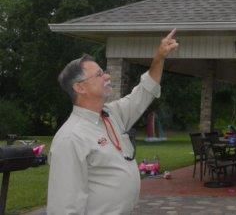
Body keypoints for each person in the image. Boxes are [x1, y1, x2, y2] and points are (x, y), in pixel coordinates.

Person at [47, 29, 179, 214]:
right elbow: (64, 207)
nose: (107, 76)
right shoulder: (70, 138)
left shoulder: (112, 114)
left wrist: (159, 57)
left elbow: (145, 91)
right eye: (99, 74)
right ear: (80, 87)